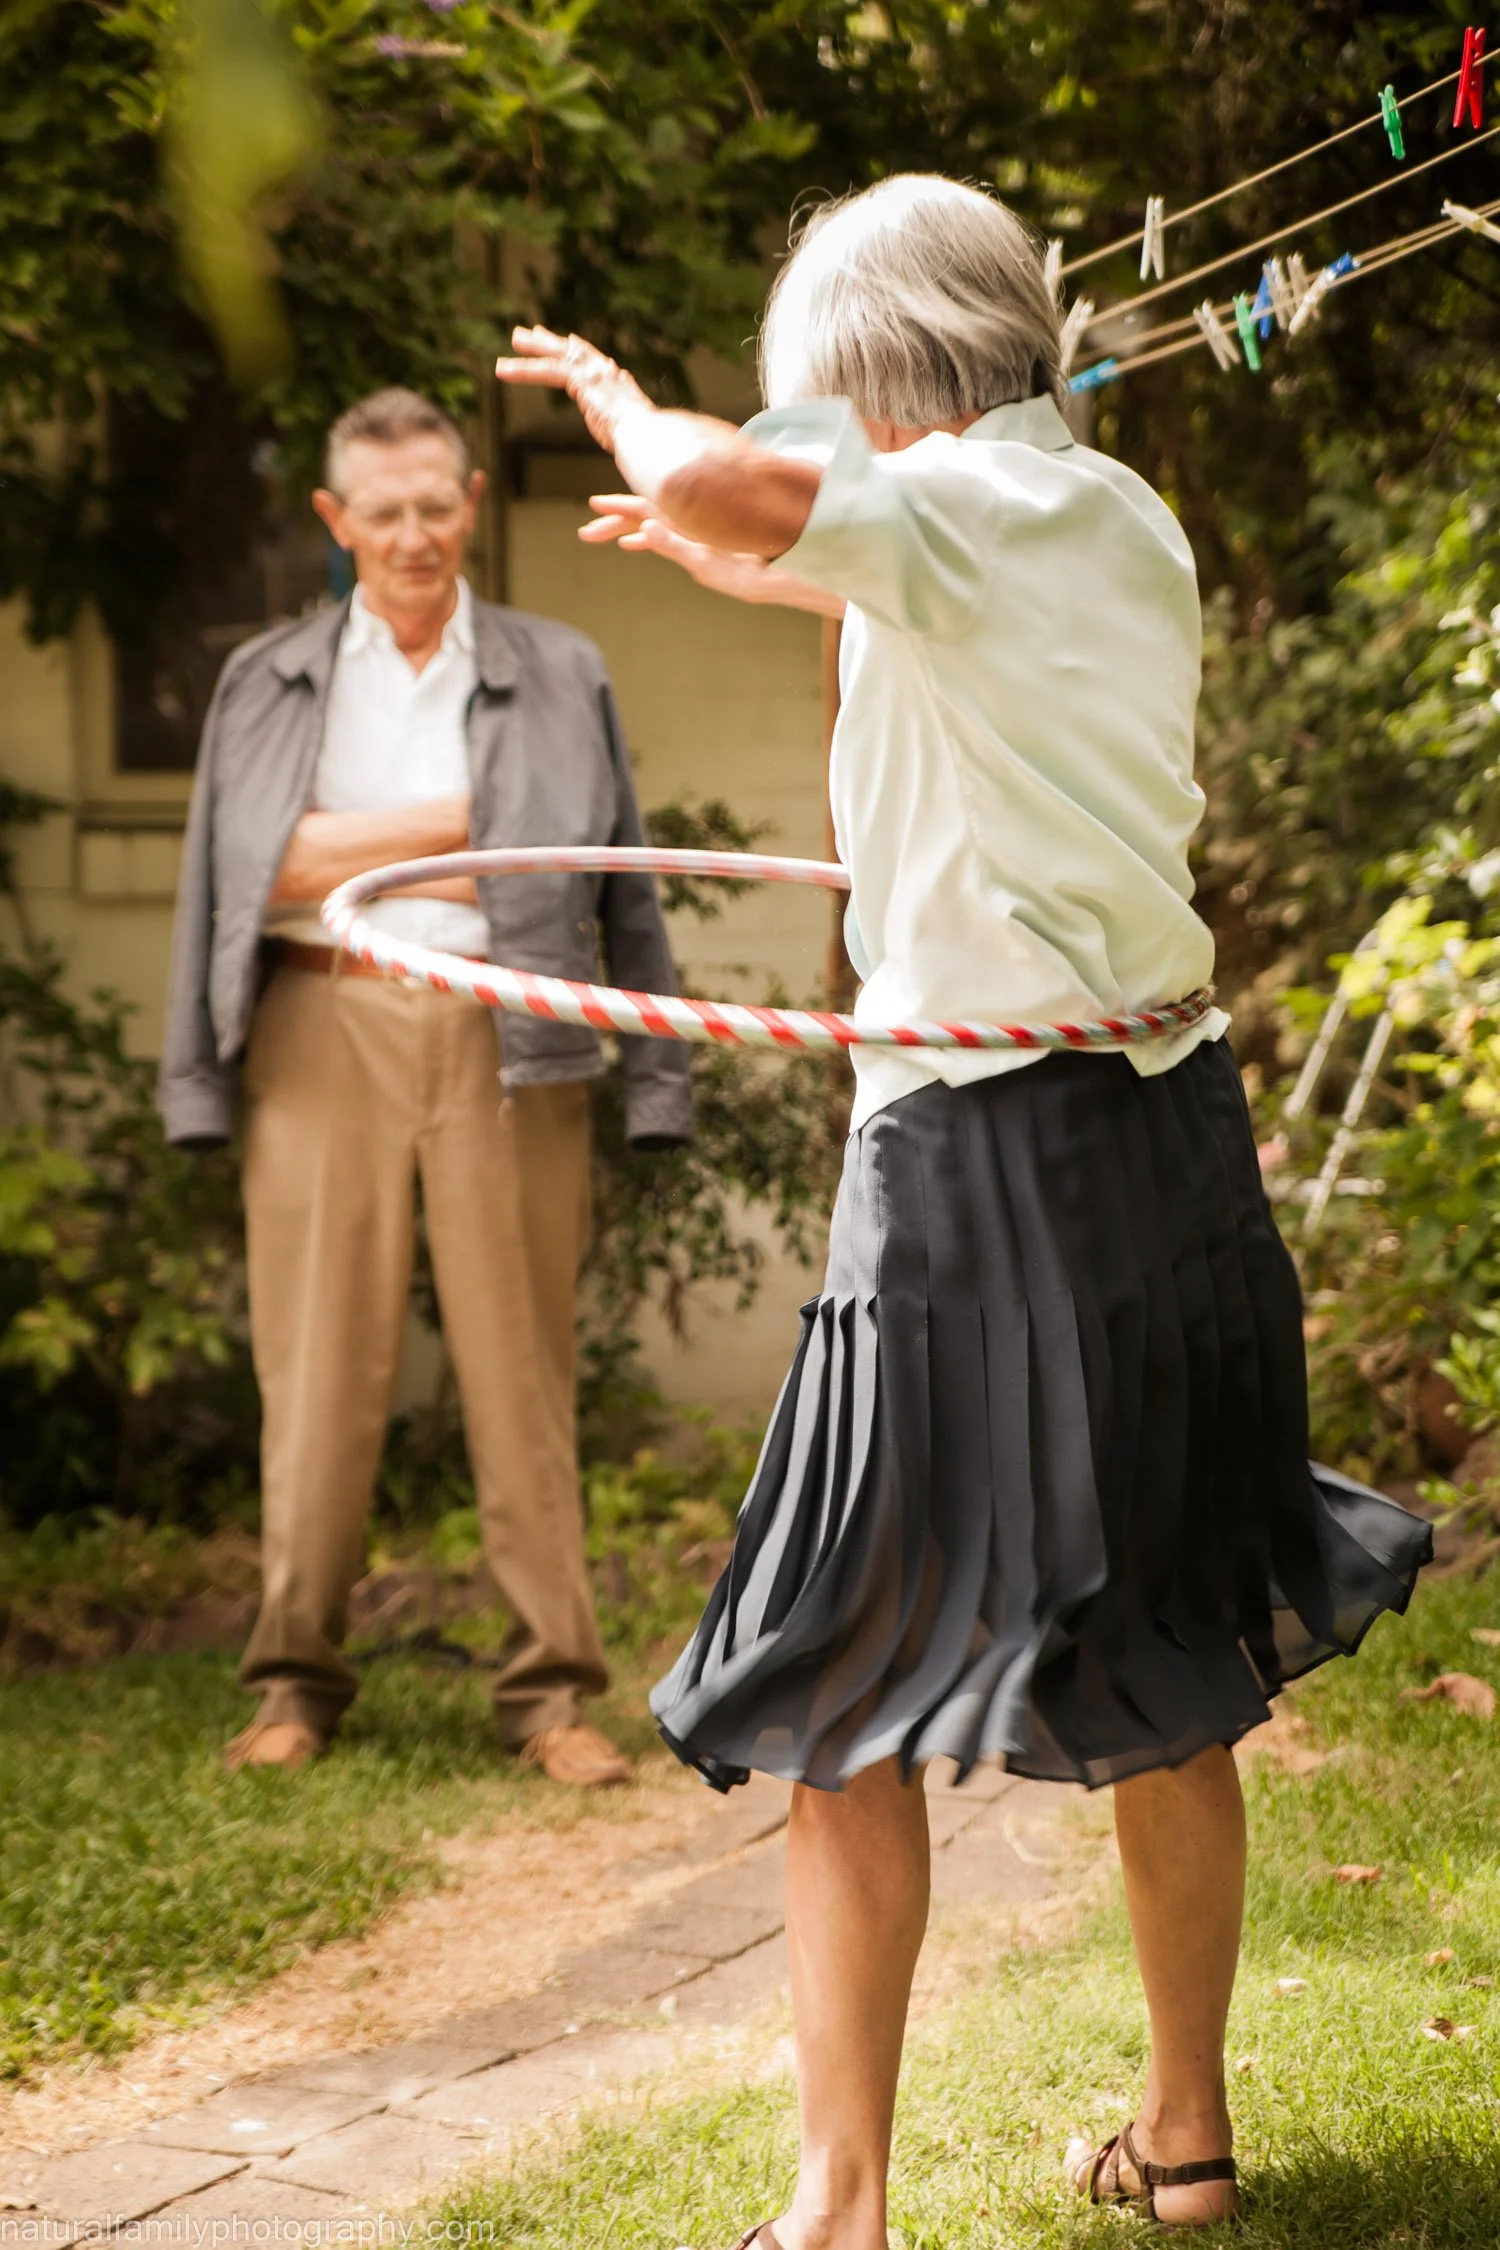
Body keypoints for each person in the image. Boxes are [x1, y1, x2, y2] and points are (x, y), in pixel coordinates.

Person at [494, 175, 1432, 2241]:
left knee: (838, 1690)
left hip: (972, 1147)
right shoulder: (1102, 518)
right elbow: (886, 584)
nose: (818, 433)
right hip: (1165, 1135)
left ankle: (837, 2211)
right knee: (1172, 1653)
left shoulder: (954, 519)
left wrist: (637, 412)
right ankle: (1185, 2146)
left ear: (886, 375)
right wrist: (763, 557)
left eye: (828, 391)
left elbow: (776, 505)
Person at [158, 387, 691, 1789]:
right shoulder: (264, 679)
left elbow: (596, 864)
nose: (412, 535)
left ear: (469, 504)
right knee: (318, 1378)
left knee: (524, 1376)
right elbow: (247, 873)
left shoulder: (559, 666)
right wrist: (479, 823)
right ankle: (291, 1682)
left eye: (434, 505)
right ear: (336, 521)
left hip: (503, 1036)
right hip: (314, 1032)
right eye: (379, 512)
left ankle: (552, 1695)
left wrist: (661, 1075)